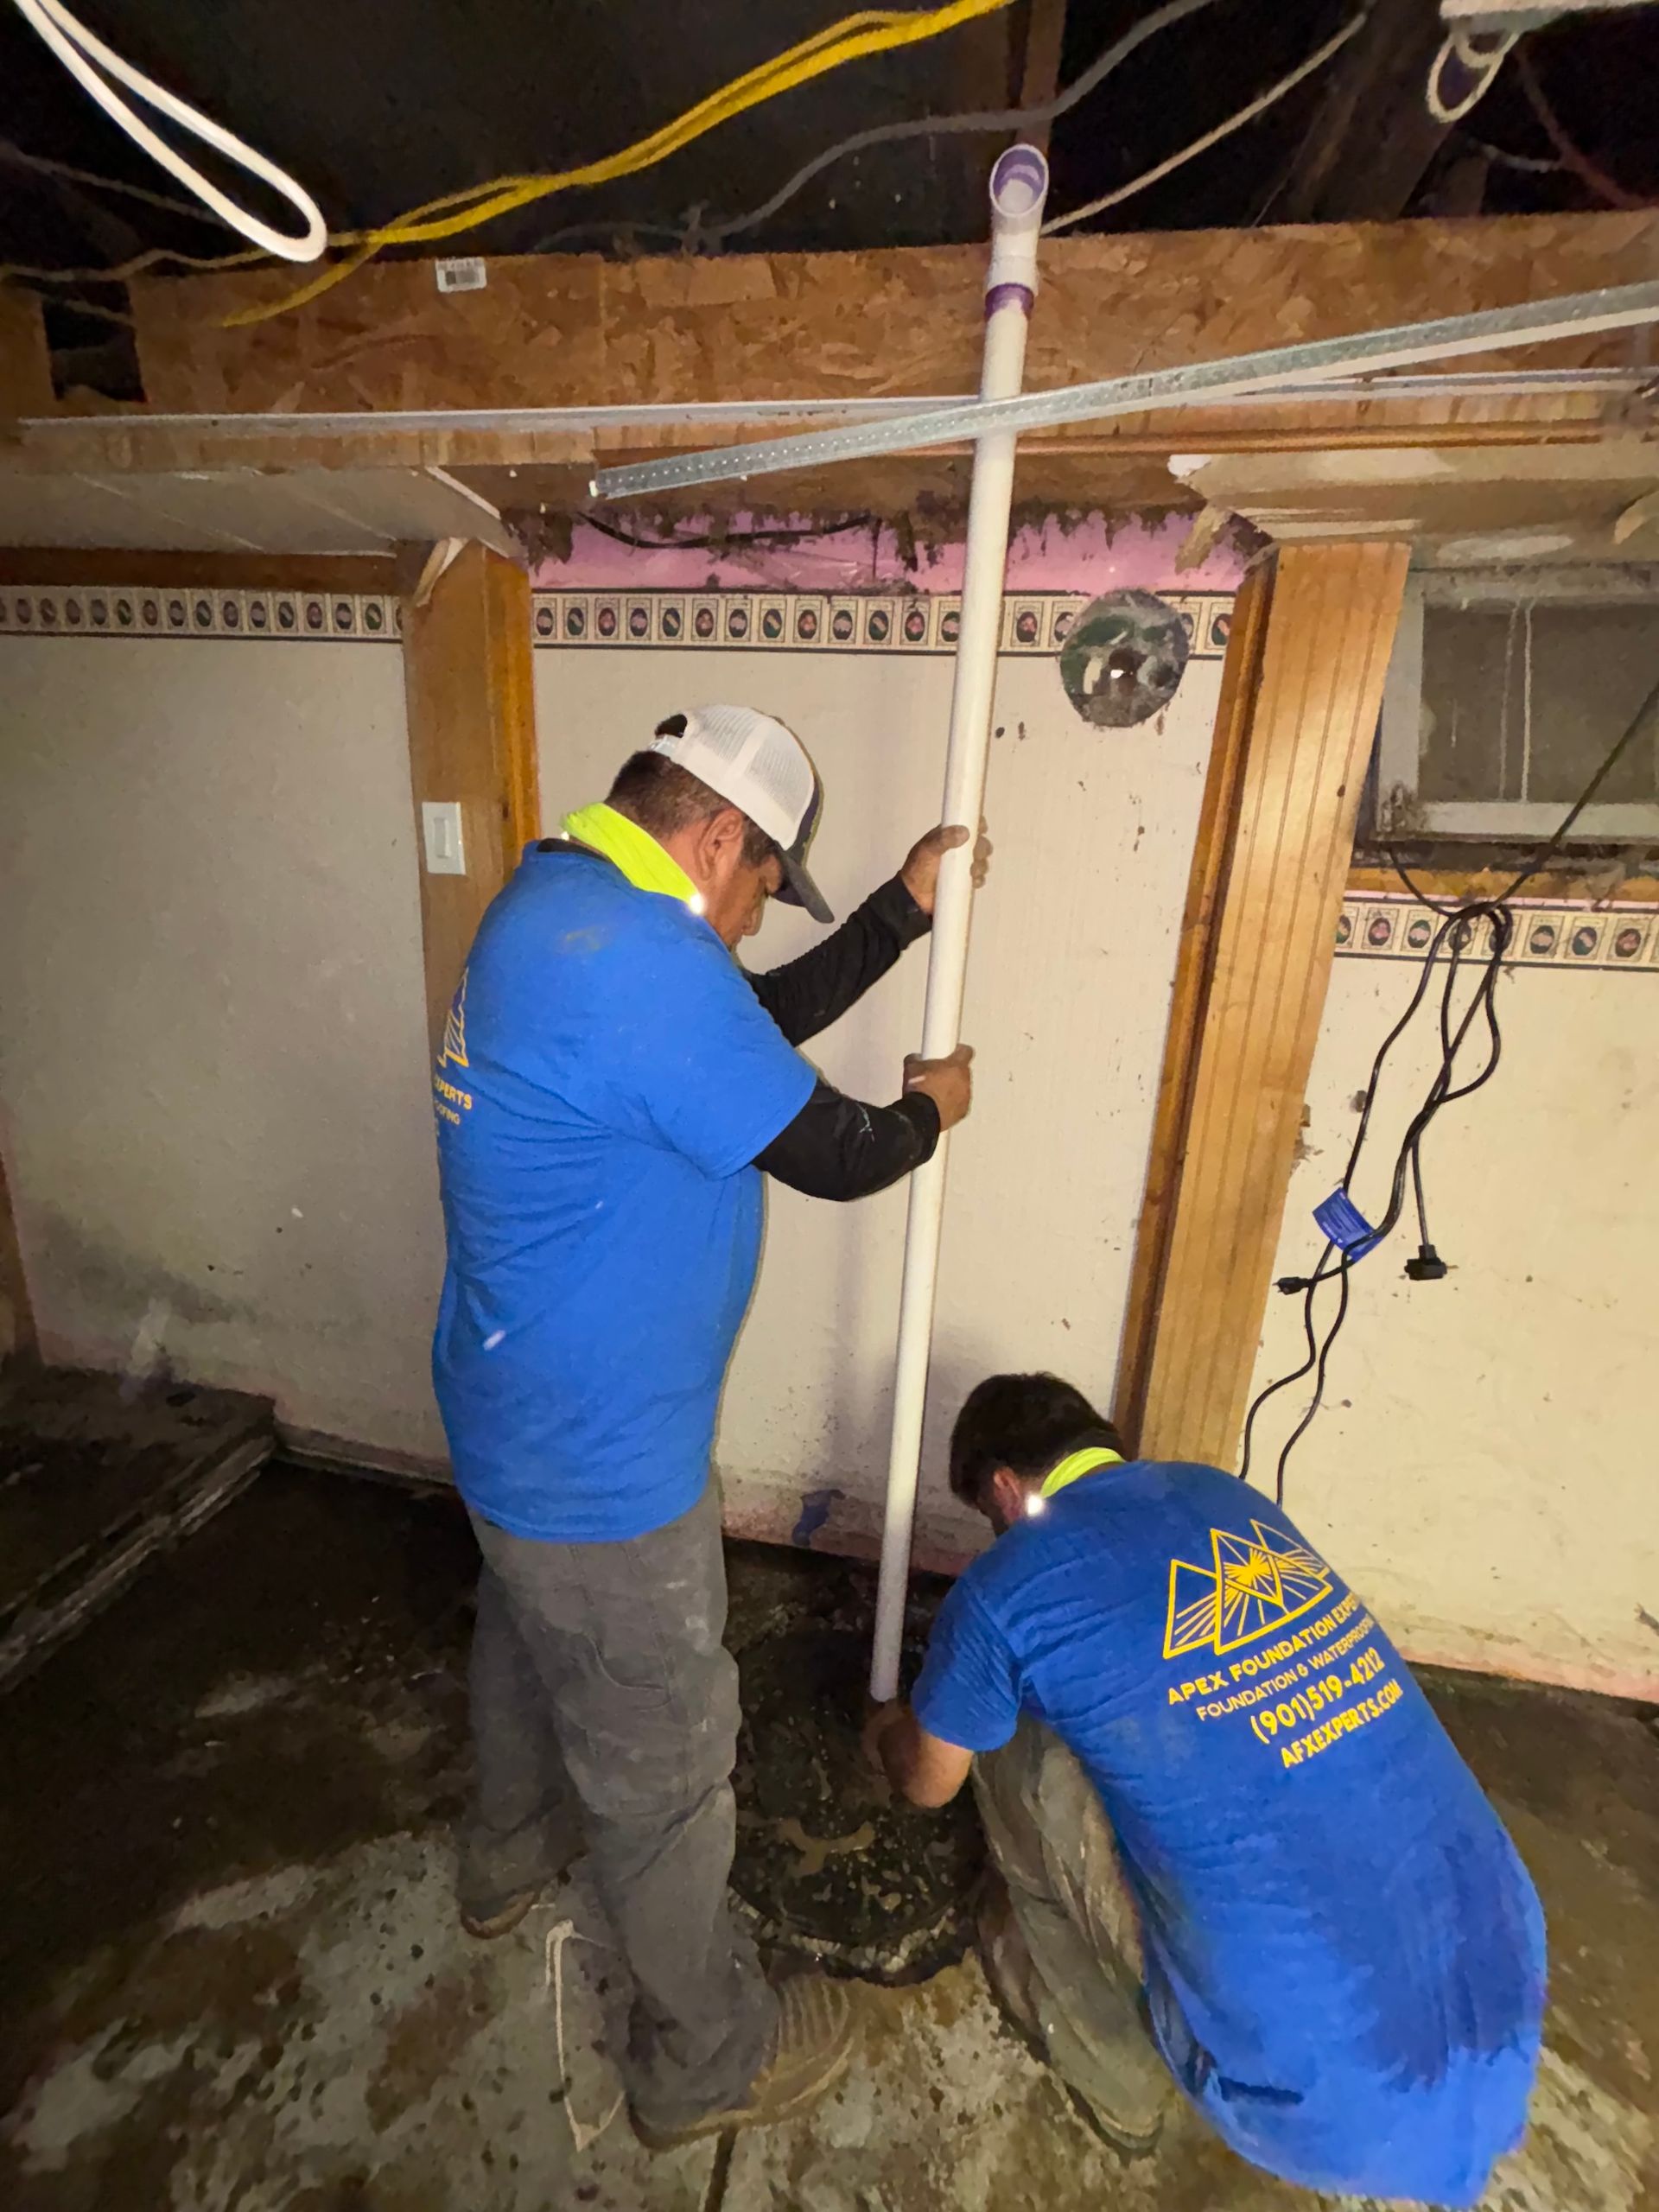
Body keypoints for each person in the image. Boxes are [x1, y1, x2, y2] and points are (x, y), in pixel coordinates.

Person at [429, 703, 980, 2149]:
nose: (749, 922)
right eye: (758, 886)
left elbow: (744, 1024)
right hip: (605, 1469)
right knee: (667, 1759)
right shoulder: (640, 966)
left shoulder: (562, 900)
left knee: (524, 1640)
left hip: (511, 1418)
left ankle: (503, 1859)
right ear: (717, 837)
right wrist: (931, 1112)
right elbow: (841, 1152)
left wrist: (895, 918)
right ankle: (705, 2059)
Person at [867, 1372, 1546, 2205]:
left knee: (1014, 1764)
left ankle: (1110, 2079)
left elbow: (930, 1785)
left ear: (1004, 1486)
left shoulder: (1008, 1586)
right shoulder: (1223, 1494)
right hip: (1503, 1998)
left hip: (1304, 2100)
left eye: (986, 1512)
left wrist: (893, 1732)